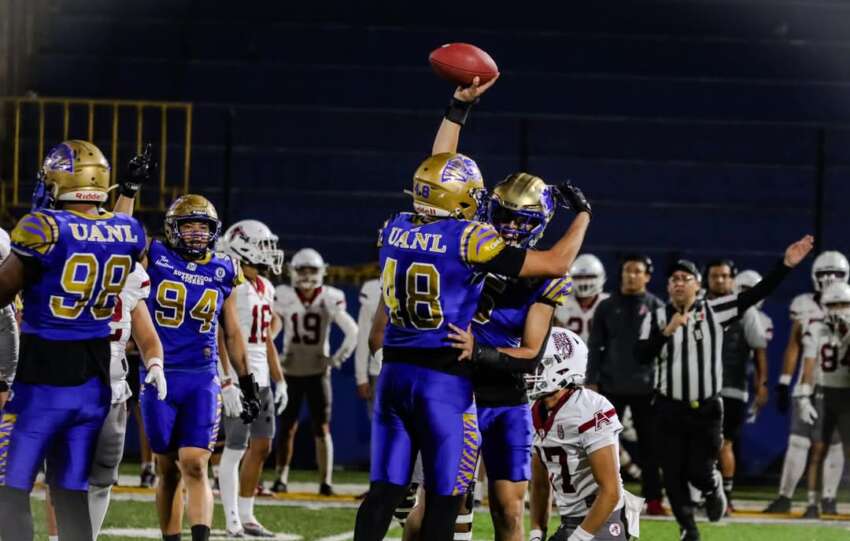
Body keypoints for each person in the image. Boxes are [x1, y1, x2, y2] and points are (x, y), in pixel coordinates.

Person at [353, 73, 592, 541]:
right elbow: (443, 173)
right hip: (449, 379)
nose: (503, 224)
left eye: (516, 219)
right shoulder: (474, 237)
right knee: (440, 500)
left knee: (498, 507)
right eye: (498, 214)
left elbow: (439, 174)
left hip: (485, 382)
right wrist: (584, 215)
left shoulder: (400, 226)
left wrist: (456, 111)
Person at [0, 140, 146, 541]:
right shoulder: (128, 230)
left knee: (9, 490)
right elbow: (104, 236)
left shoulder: (42, 226)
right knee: (69, 491)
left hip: (44, 376)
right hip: (93, 383)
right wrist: (129, 194)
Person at [636, 239, 813, 541]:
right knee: (673, 474)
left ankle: (713, 485)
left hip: (706, 408)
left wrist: (785, 265)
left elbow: (757, 294)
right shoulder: (655, 317)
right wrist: (667, 332)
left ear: (697, 286)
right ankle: (688, 529)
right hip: (668, 407)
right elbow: (640, 355)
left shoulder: (715, 310)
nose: (679, 283)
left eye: (685, 279)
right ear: (668, 287)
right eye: (674, 279)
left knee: (699, 471)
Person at [119, 193, 261, 541]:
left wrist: (247, 382)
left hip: (201, 377)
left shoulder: (225, 269)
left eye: (204, 226)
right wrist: (130, 191)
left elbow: (232, 331)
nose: (197, 233)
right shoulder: (154, 255)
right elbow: (119, 233)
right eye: (189, 225)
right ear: (173, 228)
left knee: (196, 463)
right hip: (159, 376)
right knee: (167, 469)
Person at [528, 327, 640, 541]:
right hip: (570, 520)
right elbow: (541, 486)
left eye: (538, 364)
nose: (529, 370)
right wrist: (536, 533)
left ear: (562, 368)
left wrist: (578, 538)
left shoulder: (589, 408)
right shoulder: (533, 409)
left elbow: (610, 491)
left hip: (606, 519)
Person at [764, 250, 848, 516]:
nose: (830, 279)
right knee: (799, 442)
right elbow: (794, 347)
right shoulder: (804, 305)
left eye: (835, 274)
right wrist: (784, 382)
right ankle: (785, 496)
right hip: (811, 384)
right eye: (824, 274)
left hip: (840, 387)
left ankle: (828, 499)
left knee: (834, 446)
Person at [218, 219, 287, 537]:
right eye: (263, 245)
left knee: (262, 446)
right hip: (239, 375)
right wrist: (226, 379)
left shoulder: (266, 286)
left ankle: (247, 515)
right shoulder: (231, 284)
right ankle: (232, 520)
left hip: (261, 378)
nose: (269, 252)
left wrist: (280, 378)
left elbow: (267, 339)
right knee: (235, 447)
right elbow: (221, 334)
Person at [273, 248, 358, 496]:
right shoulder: (284, 295)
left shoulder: (330, 297)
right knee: (288, 427)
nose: (308, 274)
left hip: (317, 372)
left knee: (321, 428)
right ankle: (282, 478)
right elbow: (272, 330)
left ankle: (325, 481)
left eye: (312, 270)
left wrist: (336, 359)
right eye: (303, 269)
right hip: (291, 372)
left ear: (321, 272)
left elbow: (353, 331)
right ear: (293, 271)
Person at [586, 254, 665, 515]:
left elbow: (664, 350)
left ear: (647, 276)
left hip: (647, 387)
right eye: (627, 271)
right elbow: (595, 346)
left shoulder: (657, 307)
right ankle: (599, 496)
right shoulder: (607, 306)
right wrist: (592, 381)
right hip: (610, 386)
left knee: (651, 446)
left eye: (637, 271)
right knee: (600, 444)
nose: (632, 276)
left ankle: (653, 499)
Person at [703, 260, 771, 513]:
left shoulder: (746, 310)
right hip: (699, 388)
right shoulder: (698, 306)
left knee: (725, 444)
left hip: (732, 387)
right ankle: (706, 493)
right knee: (699, 445)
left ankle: (726, 496)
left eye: (724, 276)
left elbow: (759, 349)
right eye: (714, 276)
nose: (719, 281)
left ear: (732, 279)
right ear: (706, 278)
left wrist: (762, 385)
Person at [794, 281, 850, 510]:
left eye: (843, 303)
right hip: (825, 394)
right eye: (833, 304)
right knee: (817, 449)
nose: (838, 309)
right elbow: (809, 365)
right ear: (824, 306)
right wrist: (804, 396)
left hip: (847, 395)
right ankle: (812, 504)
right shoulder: (815, 329)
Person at [555, 253, 608, 342]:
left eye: (589, 276)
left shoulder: (609, 303)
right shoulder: (561, 303)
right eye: (579, 277)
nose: (584, 281)